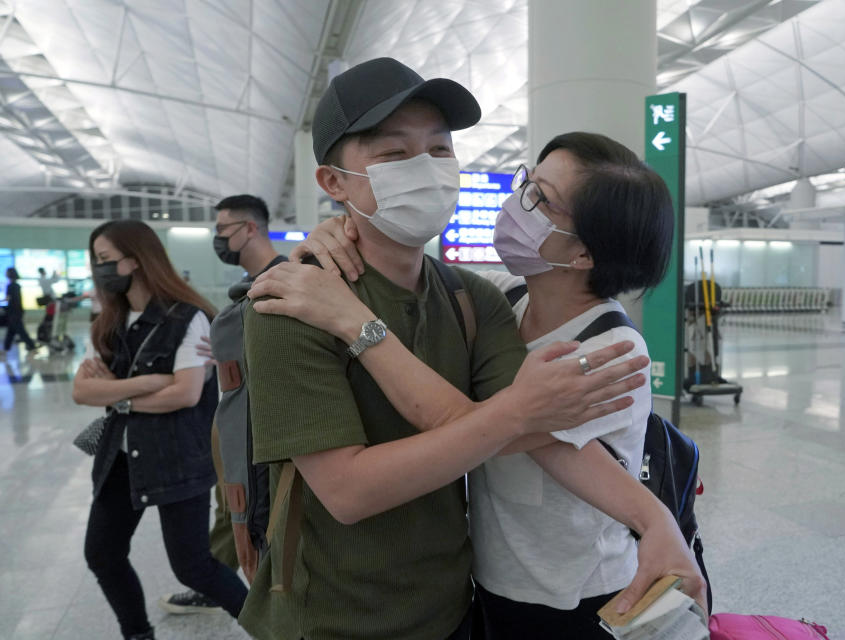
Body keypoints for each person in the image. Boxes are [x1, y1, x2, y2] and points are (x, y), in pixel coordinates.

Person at [237, 57, 650, 640]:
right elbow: (349, 492)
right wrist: (516, 413)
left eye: (439, 150)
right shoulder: (293, 304)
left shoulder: (474, 298)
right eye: (393, 154)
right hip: (333, 618)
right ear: (334, 183)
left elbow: (532, 432)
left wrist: (654, 523)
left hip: (457, 606)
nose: (426, 171)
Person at [72, 220, 248, 640]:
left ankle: (273, 628)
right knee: (103, 554)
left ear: (135, 259)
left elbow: (185, 394)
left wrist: (115, 395)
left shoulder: (186, 318)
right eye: (96, 261)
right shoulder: (112, 319)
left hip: (177, 456)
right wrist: (146, 384)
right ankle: (138, 634)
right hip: (120, 456)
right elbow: (82, 390)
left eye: (105, 259)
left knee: (193, 566)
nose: (100, 269)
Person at [161, 194, 287, 614]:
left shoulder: (285, 280)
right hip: (238, 424)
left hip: (267, 432)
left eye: (222, 230)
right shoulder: (245, 293)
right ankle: (215, 578)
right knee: (230, 504)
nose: (218, 239)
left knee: (256, 511)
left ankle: (242, 589)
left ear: (250, 228)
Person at [4, 267, 37, 354]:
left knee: (20, 331)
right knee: (11, 331)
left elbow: (8, 299)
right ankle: (5, 348)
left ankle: (32, 346)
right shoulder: (17, 286)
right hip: (18, 311)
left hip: (13, 312)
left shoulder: (10, 286)